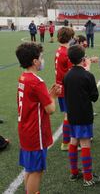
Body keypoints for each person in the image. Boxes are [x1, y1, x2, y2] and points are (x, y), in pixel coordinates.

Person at [15, 42, 61, 194]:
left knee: (30, 169)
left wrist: (47, 95)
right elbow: (51, 109)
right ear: (35, 61)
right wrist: (53, 96)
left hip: (25, 129)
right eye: (41, 57)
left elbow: (34, 101)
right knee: (37, 170)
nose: (42, 60)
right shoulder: (36, 81)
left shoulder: (23, 77)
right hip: (36, 133)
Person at [64, 45, 100, 187]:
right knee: (85, 143)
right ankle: (88, 177)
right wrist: (88, 71)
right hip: (84, 115)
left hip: (72, 115)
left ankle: (74, 172)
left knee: (73, 141)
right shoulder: (88, 75)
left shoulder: (67, 75)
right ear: (83, 59)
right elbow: (94, 97)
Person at [54, 27, 75, 151]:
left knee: (68, 114)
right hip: (66, 88)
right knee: (69, 115)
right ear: (70, 38)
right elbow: (72, 72)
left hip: (60, 86)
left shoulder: (59, 50)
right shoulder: (67, 53)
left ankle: (69, 139)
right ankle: (66, 142)